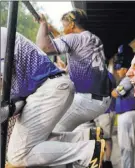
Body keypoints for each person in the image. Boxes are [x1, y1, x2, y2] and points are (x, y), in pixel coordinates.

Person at [1, 27, 105, 168]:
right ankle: (85, 137)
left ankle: (87, 152)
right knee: (35, 142)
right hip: (53, 87)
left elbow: (2, 81)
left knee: (17, 155)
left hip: (49, 89)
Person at [35, 9, 112, 132]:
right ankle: (87, 138)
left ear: (72, 24)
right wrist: (67, 69)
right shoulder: (93, 38)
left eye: (64, 25)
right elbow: (69, 42)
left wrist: (43, 24)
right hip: (102, 100)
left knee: (53, 129)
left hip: (87, 99)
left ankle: (85, 141)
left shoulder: (75, 38)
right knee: (67, 127)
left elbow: (43, 47)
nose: (63, 28)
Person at [74, 71, 116, 168]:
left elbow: (108, 91)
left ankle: (107, 162)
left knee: (106, 137)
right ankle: (99, 162)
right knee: (97, 138)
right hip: (96, 112)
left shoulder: (107, 75)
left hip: (106, 111)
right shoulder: (91, 75)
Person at [112, 44, 135, 168]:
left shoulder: (129, 77)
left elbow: (117, 92)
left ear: (124, 68)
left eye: (119, 69)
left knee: (126, 147)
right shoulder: (129, 77)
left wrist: (112, 91)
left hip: (129, 114)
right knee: (127, 147)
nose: (118, 72)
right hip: (128, 114)